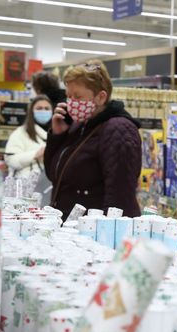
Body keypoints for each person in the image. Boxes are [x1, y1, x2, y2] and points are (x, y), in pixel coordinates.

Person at [45, 60, 142, 220]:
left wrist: (103, 238)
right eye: (68, 96)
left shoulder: (118, 130)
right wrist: (58, 136)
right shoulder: (80, 125)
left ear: (101, 97)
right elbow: (55, 176)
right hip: (69, 231)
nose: (71, 102)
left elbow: (119, 198)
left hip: (91, 235)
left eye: (78, 96)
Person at [5, 95, 51, 177]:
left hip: (49, 184)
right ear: (31, 111)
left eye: (47, 109)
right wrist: (36, 154)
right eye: (39, 108)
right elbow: (11, 160)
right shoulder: (20, 133)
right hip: (25, 184)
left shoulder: (58, 132)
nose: (43, 111)